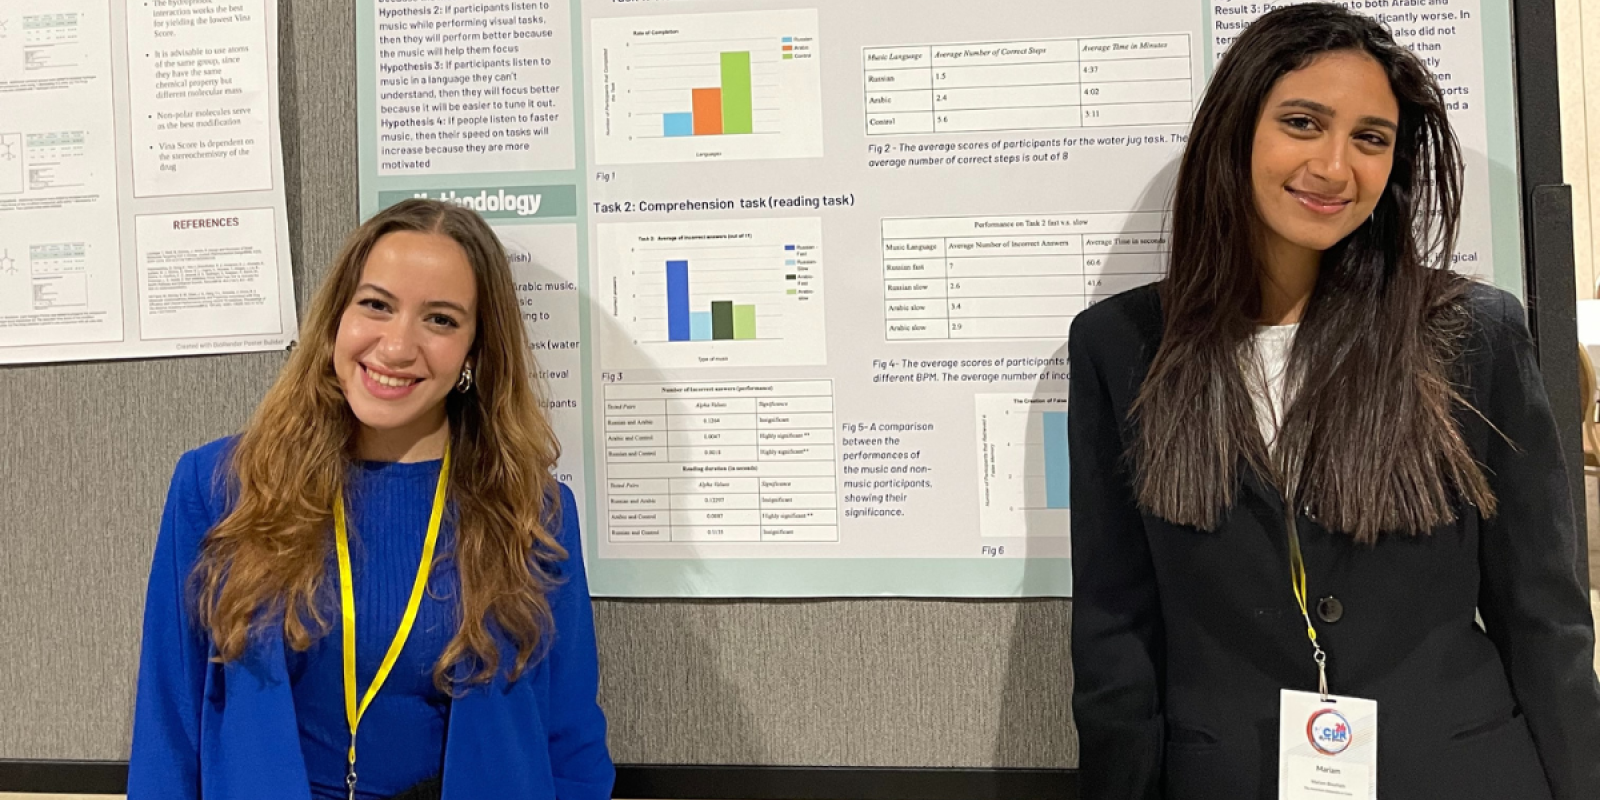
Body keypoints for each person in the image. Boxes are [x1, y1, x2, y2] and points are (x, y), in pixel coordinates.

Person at [1067, 5, 1600, 799]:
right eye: (1303, 122)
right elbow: (1116, 633)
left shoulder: (1472, 335)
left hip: (1462, 773)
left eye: (1370, 138)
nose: (1334, 166)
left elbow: (1543, 617)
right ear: (1237, 129)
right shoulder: (1122, 344)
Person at [127, 199, 613, 800]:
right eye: (376, 305)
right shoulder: (220, 488)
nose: (397, 346)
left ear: (474, 351)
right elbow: (167, 730)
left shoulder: (530, 515)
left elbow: (571, 747)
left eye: (440, 320)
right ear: (337, 316)